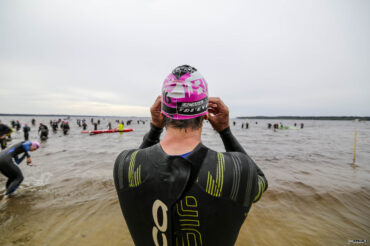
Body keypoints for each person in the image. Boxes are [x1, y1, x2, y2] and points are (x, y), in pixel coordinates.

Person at [113, 65, 268, 246]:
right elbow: (259, 182)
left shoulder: (124, 164)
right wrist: (225, 131)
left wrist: (155, 128)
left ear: (162, 112)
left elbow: (138, 164)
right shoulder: (238, 170)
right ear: (205, 115)